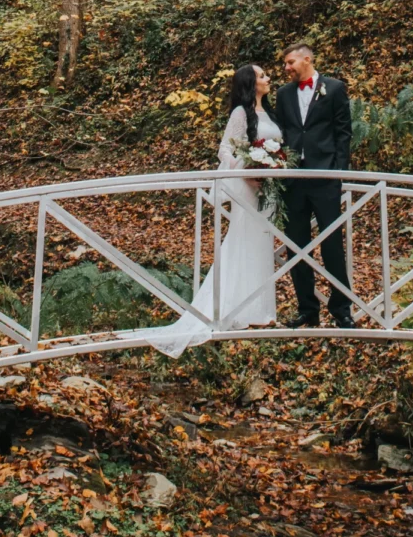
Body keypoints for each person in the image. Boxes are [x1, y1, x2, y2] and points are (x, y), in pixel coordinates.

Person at [140, 64, 281, 356]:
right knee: (243, 240)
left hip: (269, 187)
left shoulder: (271, 113)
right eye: (262, 76)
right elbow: (225, 150)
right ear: (249, 83)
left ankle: (260, 310)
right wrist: (246, 169)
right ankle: (231, 309)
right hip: (248, 185)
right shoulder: (241, 114)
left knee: (263, 242)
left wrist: (274, 166)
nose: (268, 79)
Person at [275, 40, 355, 328]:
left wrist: (338, 173)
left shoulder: (333, 88)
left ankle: (341, 309)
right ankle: (307, 310)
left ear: (307, 59)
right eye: (285, 64)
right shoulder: (283, 94)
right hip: (293, 181)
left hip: (325, 179)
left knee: (332, 244)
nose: (286, 69)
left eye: (290, 63)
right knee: (296, 245)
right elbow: (281, 133)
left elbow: (343, 132)